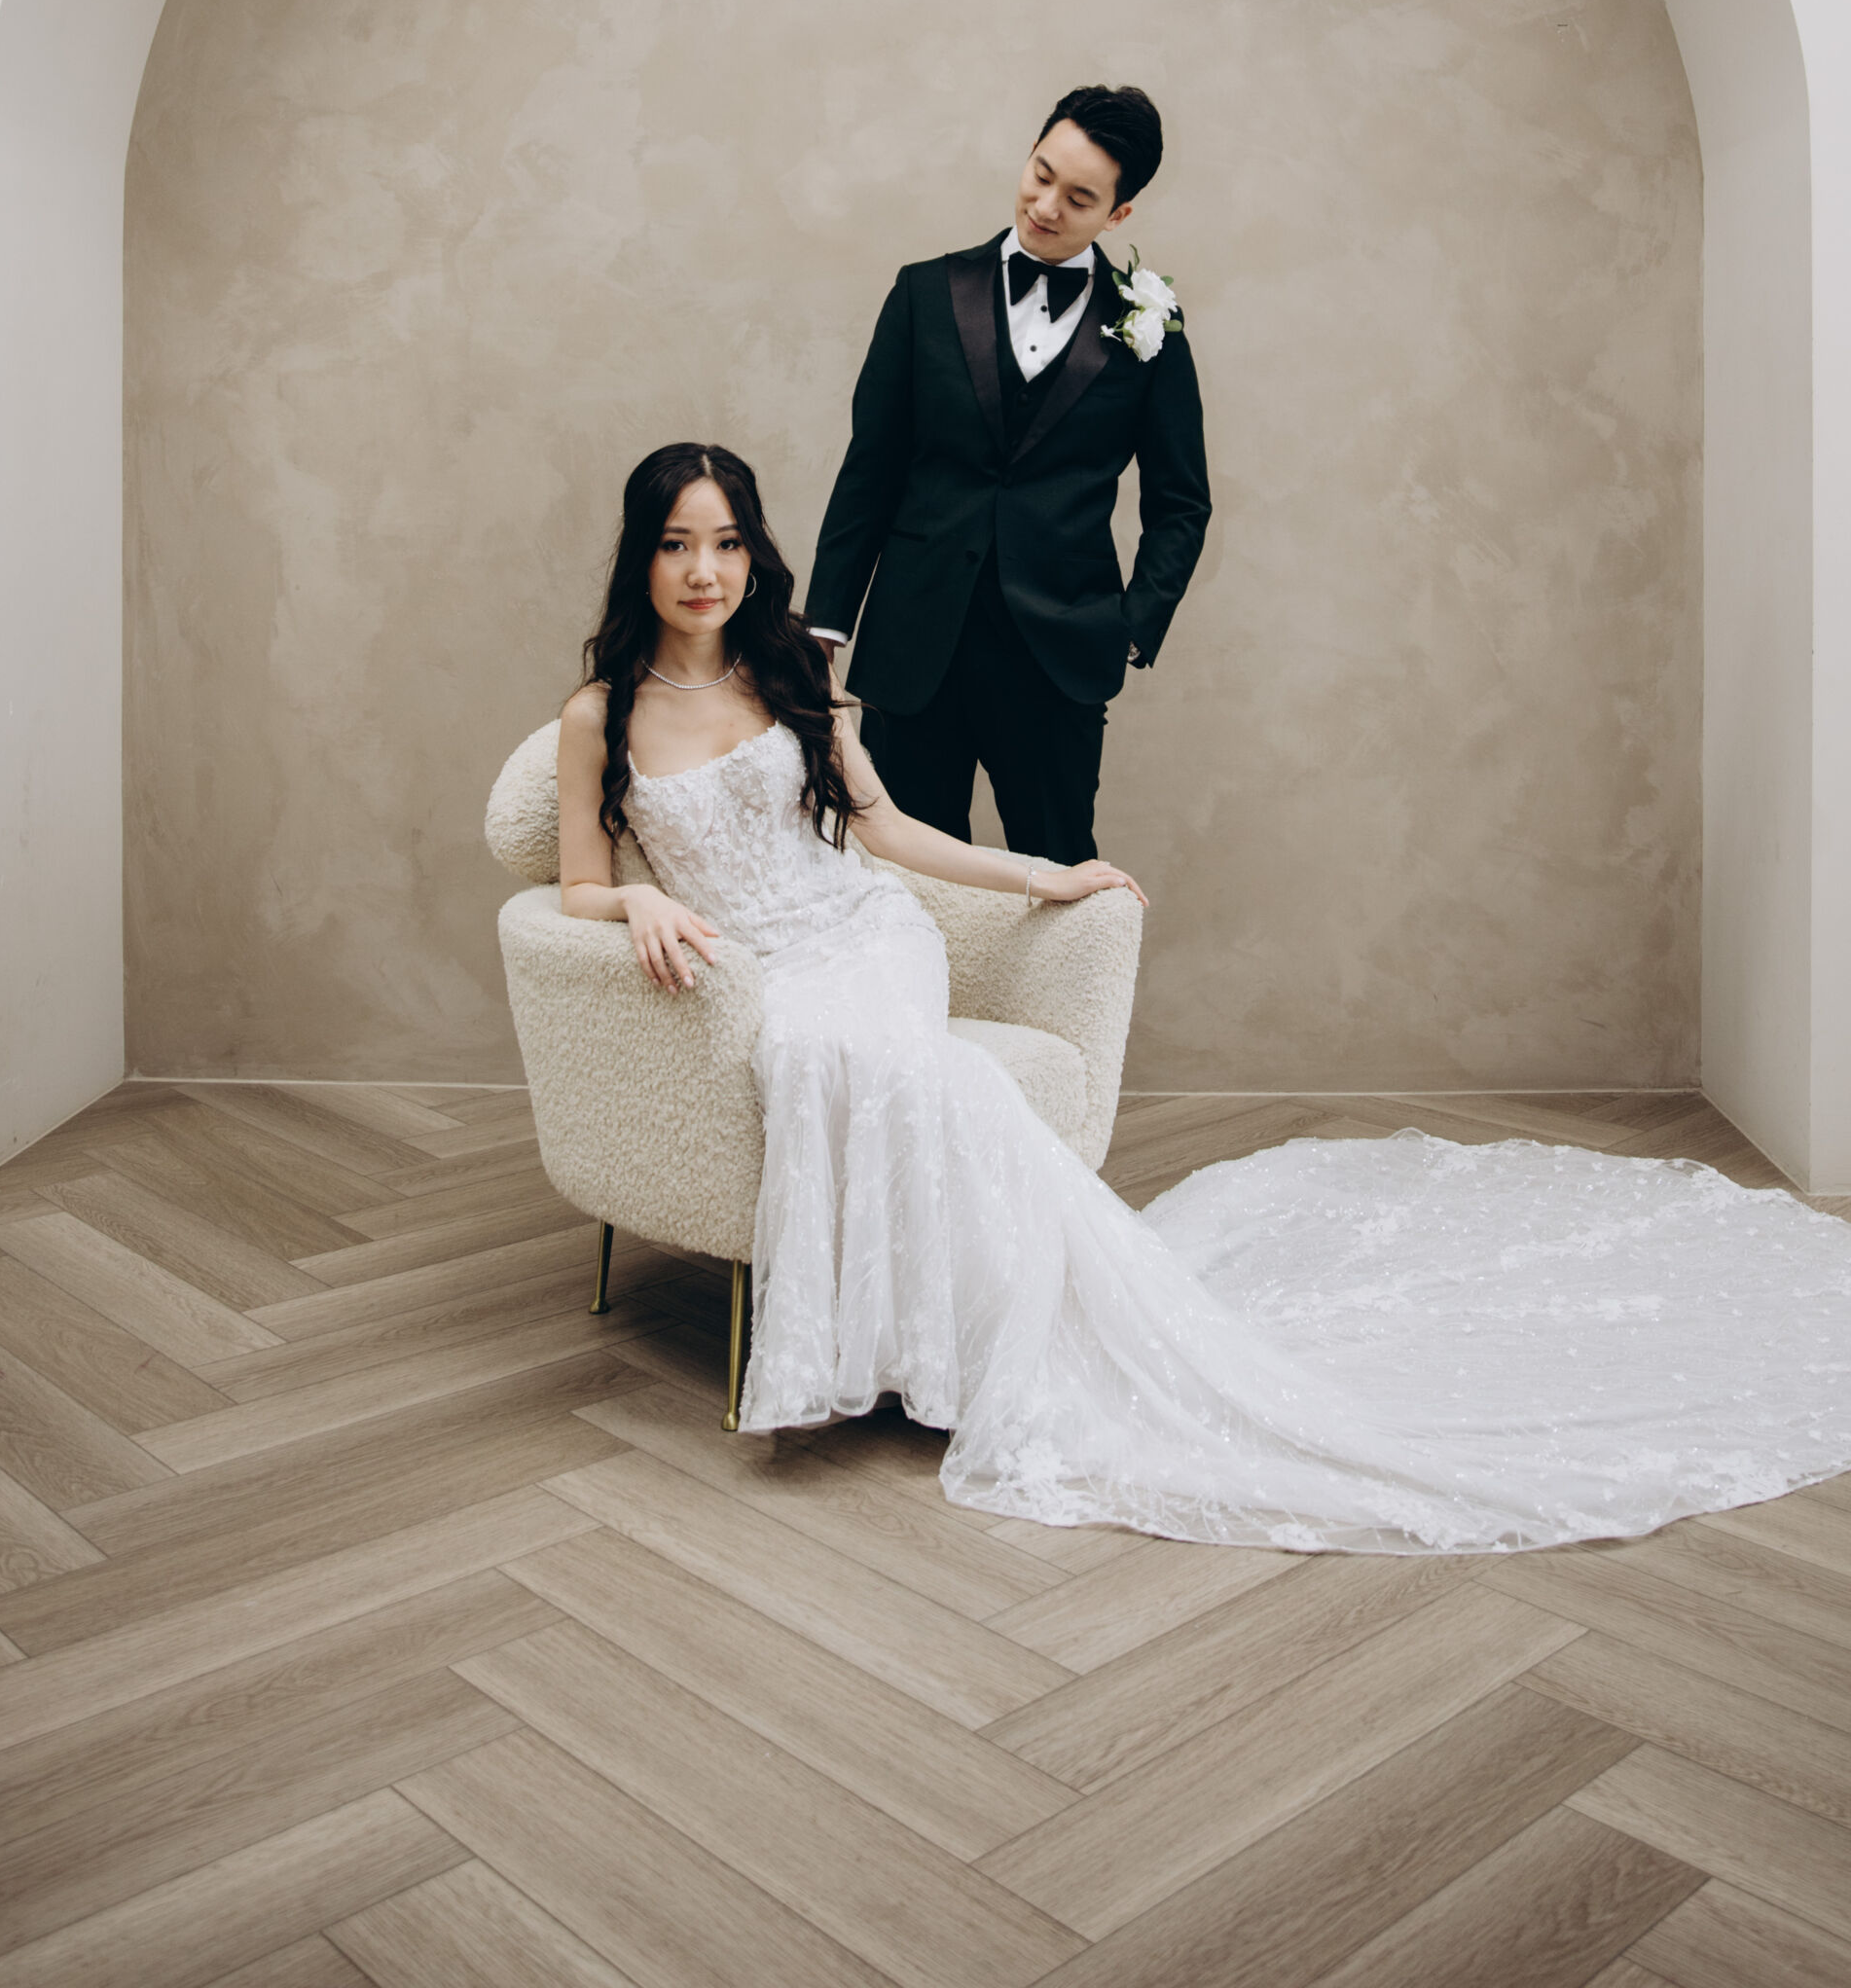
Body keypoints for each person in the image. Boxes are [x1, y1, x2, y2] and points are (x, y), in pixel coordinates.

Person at [558, 441, 1851, 1554]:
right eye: (677, 544)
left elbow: (886, 832)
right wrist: (642, 903)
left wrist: (1042, 873)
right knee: (857, 1064)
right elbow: (574, 888)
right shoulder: (598, 715)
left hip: (865, 935)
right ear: (643, 558)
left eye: (726, 542)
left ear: (755, 553)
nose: (704, 570)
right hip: (761, 971)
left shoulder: (791, 670)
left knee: (888, 1060)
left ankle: (973, 1341)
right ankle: (946, 1337)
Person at [803, 84, 1210, 866]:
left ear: (1118, 214)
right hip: (914, 642)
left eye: (1080, 198)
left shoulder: (1151, 327)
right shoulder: (924, 293)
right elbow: (871, 468)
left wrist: (1130, 626)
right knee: (908, 879)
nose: (1046, 206)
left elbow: (1181, 502)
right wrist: (826, 625)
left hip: (1058, 656)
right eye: (1041, 174)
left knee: (1060, 871)